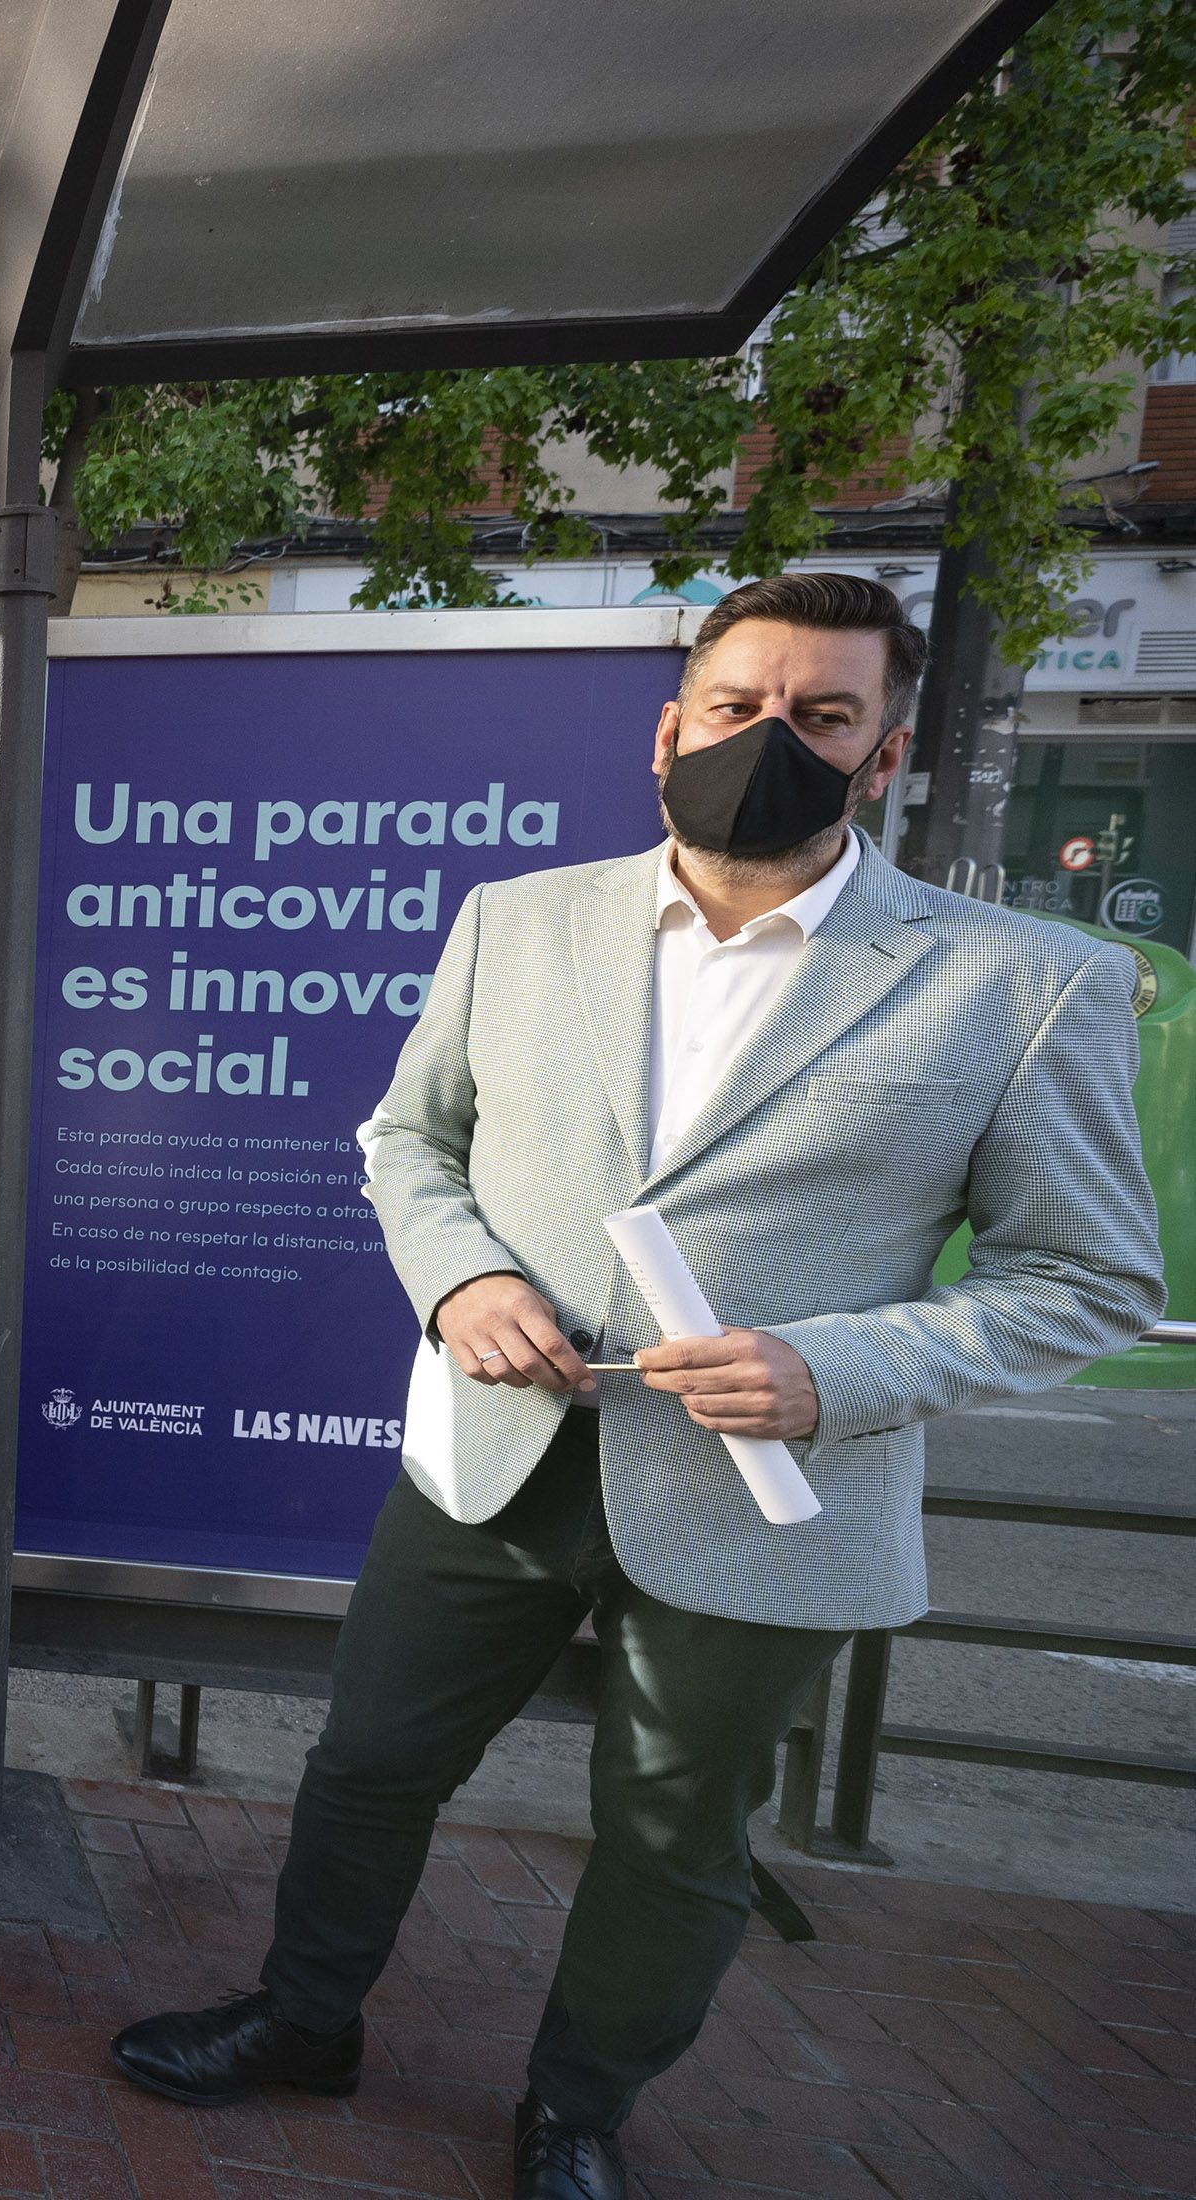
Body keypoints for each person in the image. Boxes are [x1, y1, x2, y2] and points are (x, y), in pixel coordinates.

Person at [107, 571, 1163, 2200]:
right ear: (667, 729)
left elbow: (1087, 1281)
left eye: (819, 716)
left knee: (675, 1833)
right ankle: (299, 2019)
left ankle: (575, 2113)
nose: (770, 741)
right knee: (368, 1763)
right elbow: (409, 1141)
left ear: (879, 752)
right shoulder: (515, 921)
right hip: (493, 1452)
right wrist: (459, 1276)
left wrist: (837, 1366)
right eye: (738, 708)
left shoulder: (1020, 984)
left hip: (764, 1498)